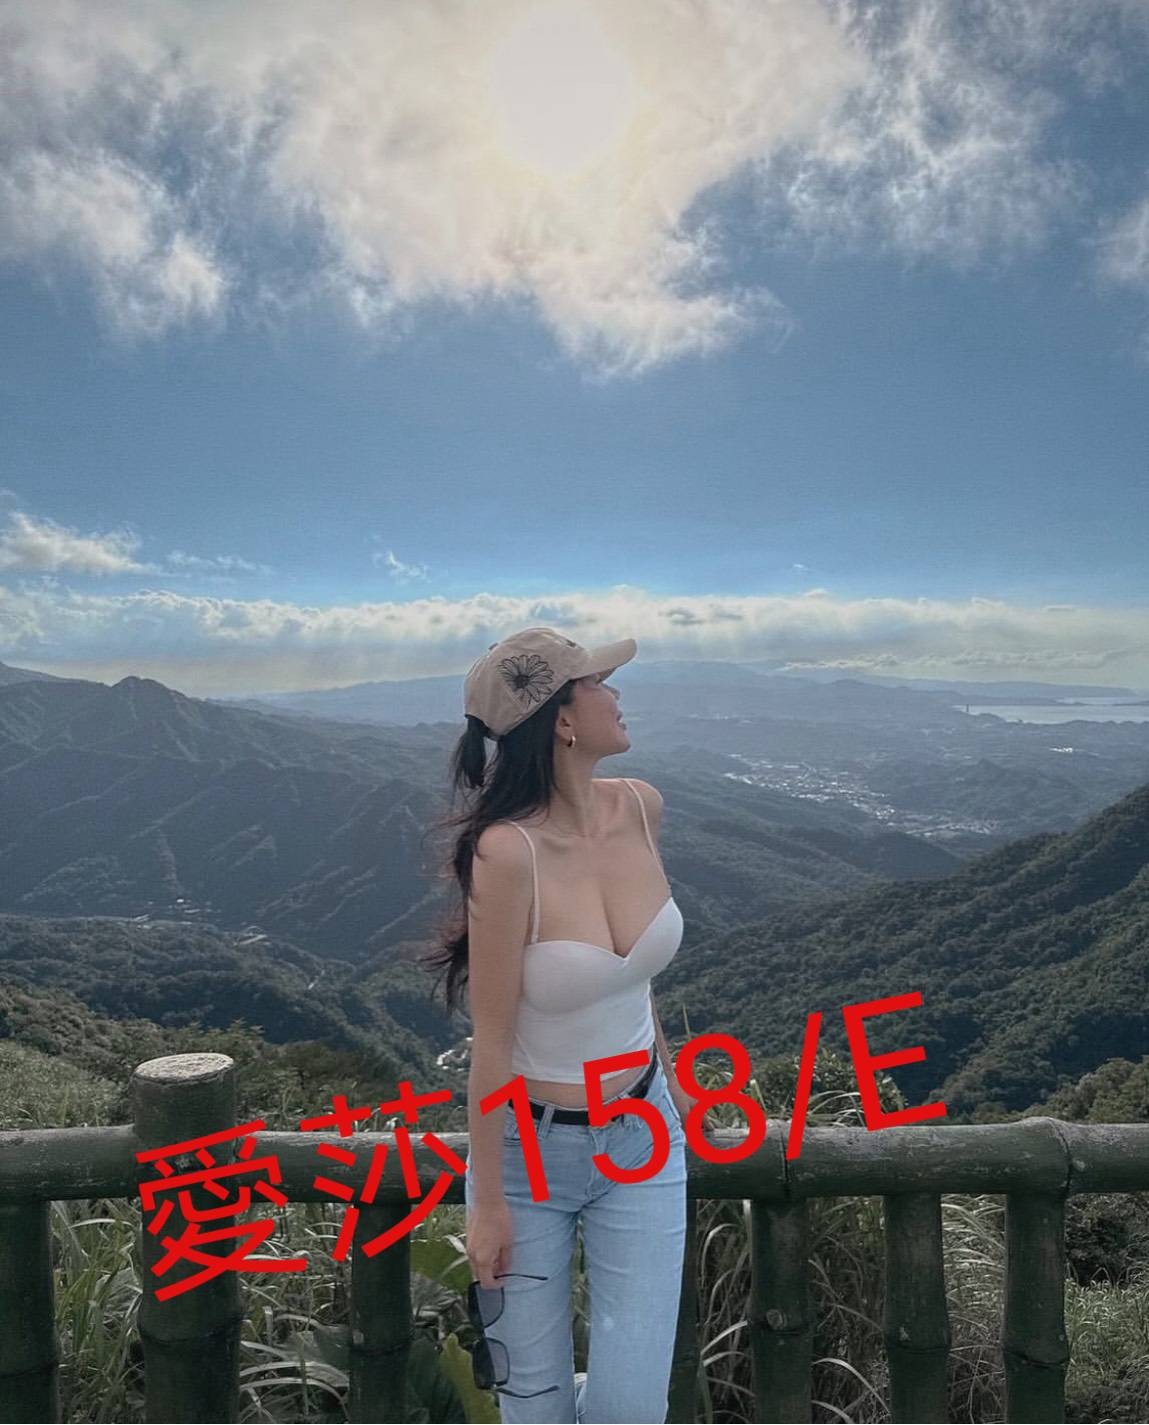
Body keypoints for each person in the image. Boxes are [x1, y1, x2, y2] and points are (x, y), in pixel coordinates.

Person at [423, 627, 716, 1423]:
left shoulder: (641, 807)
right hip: (529, 1152)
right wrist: (486, 1202)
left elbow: (632, 982)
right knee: (535, 1408)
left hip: (644, 1136)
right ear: (560, 718)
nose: (615, 695)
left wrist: (670, 1083)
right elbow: (491, 1040)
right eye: (598, 682)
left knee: (631, 1409)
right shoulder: (506, 853)